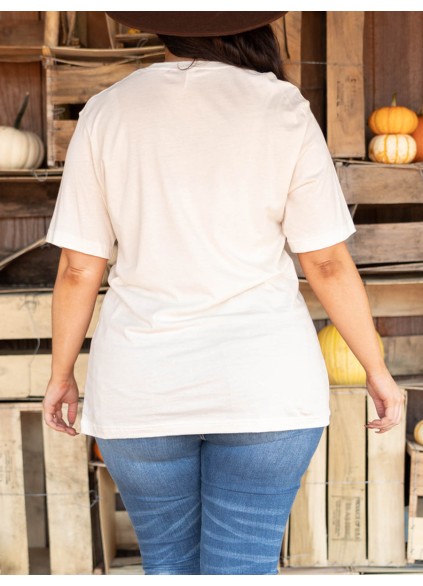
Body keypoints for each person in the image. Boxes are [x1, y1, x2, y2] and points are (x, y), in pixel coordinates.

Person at [42, 11, 404, 576]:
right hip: (264, 384)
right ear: (247, 24)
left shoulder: (107, 111)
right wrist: (377, 370)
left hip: (143, 388)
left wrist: (61, 374)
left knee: (167, 565)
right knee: (243, 567)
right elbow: (327, 262)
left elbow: (76, 268)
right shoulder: (281, 108)